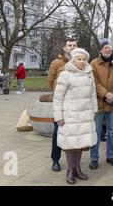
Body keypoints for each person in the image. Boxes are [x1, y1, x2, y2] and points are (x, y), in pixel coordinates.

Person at [52, 48, 97, 185]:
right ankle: (70, 170)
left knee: (80, 144)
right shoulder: (65, 74)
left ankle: (77, 169)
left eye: (84, 59)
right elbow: (58, 97)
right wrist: (58, 116)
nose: (82, 62)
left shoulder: (89, 73)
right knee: (70, 145)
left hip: (85, 114)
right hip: (70, 115)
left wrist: (94, 110)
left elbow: (93, 93)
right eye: (79, 59)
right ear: (73, 59)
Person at [89, 38, 113, 170]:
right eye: (105, 47)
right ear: (101, 50)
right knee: (96, 131)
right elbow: (93, 81)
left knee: (111, 132)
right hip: (98, 103)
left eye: (110, 47)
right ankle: (94, 158)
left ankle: (111, 156)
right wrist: (105, 94)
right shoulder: (93, 64)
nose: (108, 49)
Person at [48, 38, 77, 172]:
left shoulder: (80, 62)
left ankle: (73, 163)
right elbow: (51, 81)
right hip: (61, 103)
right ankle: (55, 160)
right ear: (64, 48)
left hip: (75, 104)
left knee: (73, 134)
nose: (72, 47)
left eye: (74, 45)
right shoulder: (56, 63)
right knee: (57, 132)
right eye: (69, 45)